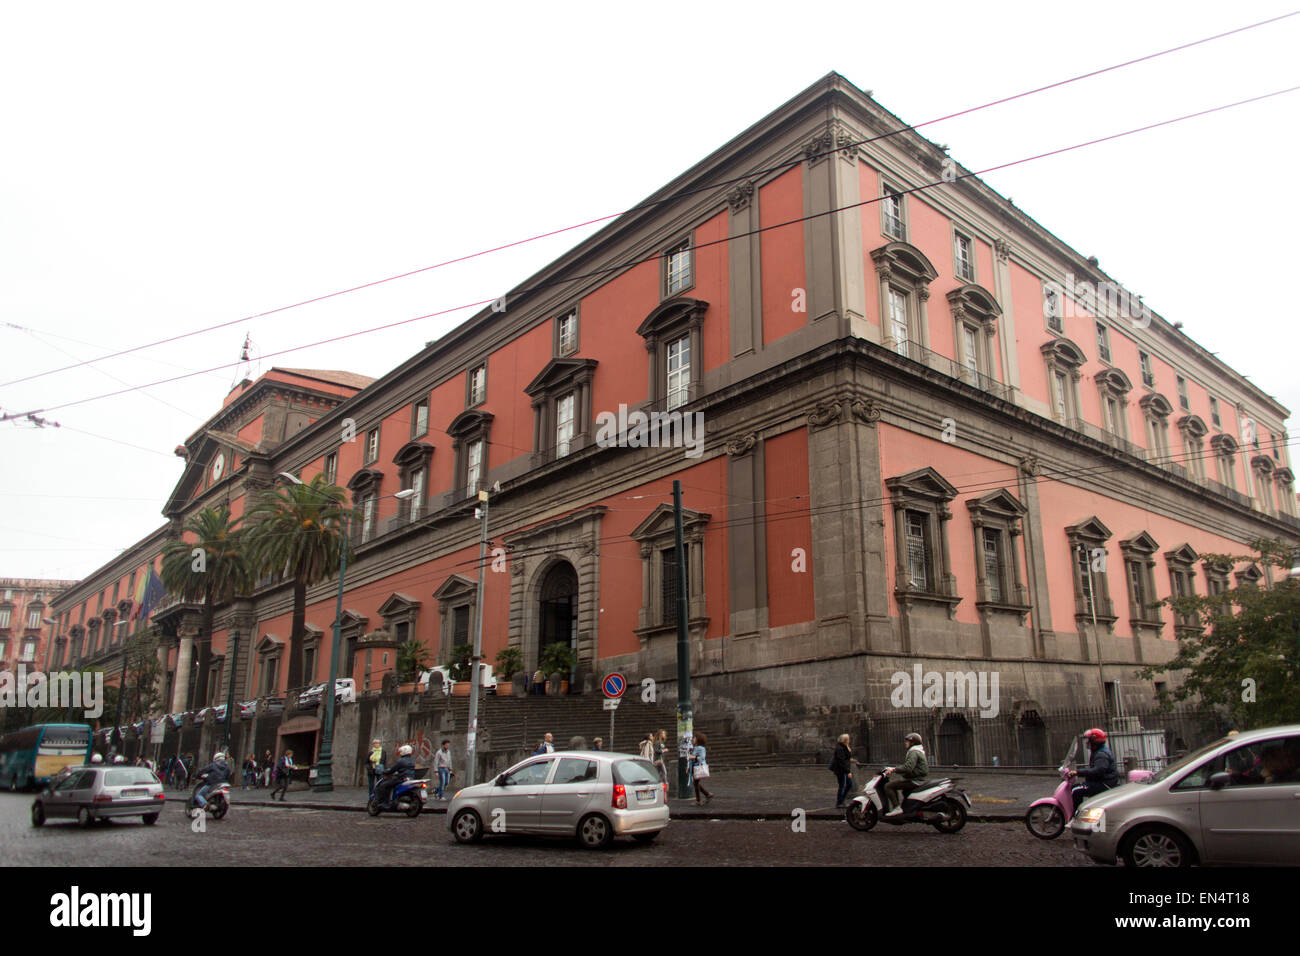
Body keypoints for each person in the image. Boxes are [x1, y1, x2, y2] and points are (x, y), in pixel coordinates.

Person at [1069, 728, 1118, 809]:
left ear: (1095, 742)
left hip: (1104, 783)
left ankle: (1076, 815)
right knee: (1077, 787)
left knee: (1076, 790)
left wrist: (1078, 772)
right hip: (1102, 781)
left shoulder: (1101, 754)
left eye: (1089, 740)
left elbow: (1098, 770)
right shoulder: (1098, 752)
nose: (1087, 742)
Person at [883, 733, 928, 816]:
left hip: (914, 780)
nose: (905, 743)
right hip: (918, 778)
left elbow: (908, 767)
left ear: (913, 743)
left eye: (907, 741)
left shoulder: (914, 752)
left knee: (888, 786)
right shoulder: (918, 751)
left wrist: (893, 769)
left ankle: (896, 808)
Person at [830, 733, 855, 808]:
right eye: (848, 739)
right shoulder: (839, 748)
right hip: (841, 770)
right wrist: (848, 772)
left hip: (844, 769)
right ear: (845, 740)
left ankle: (842, 800)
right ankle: (839, 802)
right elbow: (841, 761)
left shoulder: (845, 747)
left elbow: (847, 757)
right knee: (842, 785)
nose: (849, 741)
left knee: (849, 784)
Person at [688, 733, 712, 804]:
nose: (693, 739)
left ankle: (699, 800)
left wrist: (694, 757)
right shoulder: (695, 748)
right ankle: (707, 795)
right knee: (695, 783)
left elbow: (702, 758)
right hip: (695, 767)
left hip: (698, 767)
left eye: (694, 738)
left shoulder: (701, 748)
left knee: (695, 783)